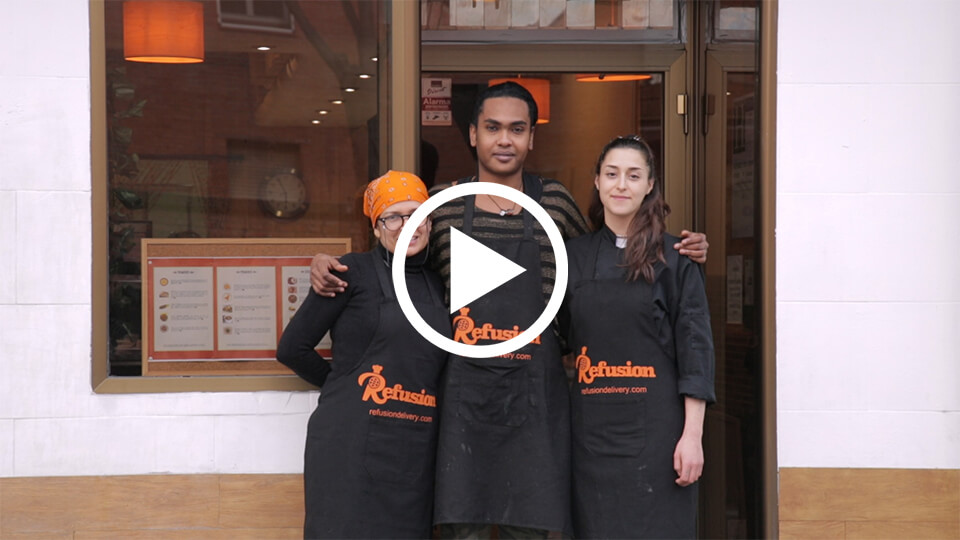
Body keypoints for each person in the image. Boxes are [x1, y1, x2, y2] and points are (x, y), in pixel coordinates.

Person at [310, 82, 710, 539]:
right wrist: (326, 264)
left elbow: (603, 263)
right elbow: (397, 261)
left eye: (517, 129)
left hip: (536, 400)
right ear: (473, 135)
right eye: (493, 128)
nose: (505, 139)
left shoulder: (557, 203)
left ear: (531, 138)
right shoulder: (442, 206)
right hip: (463, 402)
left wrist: (678, 251)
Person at [277, 171, 450, 539]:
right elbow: (293, 348)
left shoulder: (440, 284)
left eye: (416, 214)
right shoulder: (351, 272)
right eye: (393, 217)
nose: (407, 225)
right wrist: (344, 384)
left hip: (415, 450)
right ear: (376, 227)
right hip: (349, 449)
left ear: (430, 222)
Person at [560, 135, 716, 539]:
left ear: (649, 185)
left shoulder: (678, 258)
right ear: (597, 181)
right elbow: (557, 339)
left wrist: (692, 437)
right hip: (588, 438)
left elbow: (696, 351)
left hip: (660, 438)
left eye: (633, 176)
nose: (621, 185)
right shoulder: (571, 257)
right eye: (611, 174)